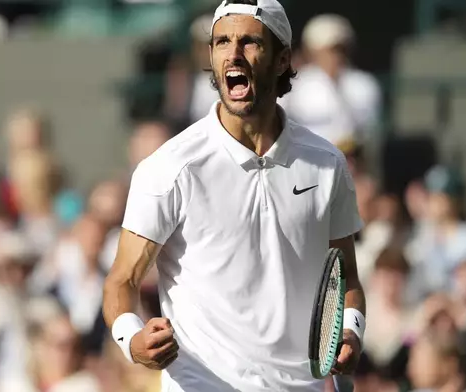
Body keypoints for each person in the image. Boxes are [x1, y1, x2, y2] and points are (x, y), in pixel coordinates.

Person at [102, 0, 366, 391]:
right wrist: (133, 339)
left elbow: (346, 279)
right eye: (222, 42)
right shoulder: (169, 167)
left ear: (282, 60)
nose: (233, 54)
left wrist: (351, 332)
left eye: (249, 42)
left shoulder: (327, 163)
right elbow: (122, 279)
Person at [278, 14, 381, 146]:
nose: (334, 56)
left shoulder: (363, 83)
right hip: (307, 158)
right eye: (328, 50)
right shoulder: (296, 83)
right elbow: (277, 118)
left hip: (348, 160)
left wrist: (336, 83)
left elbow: (365, 129)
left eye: (340, 49)